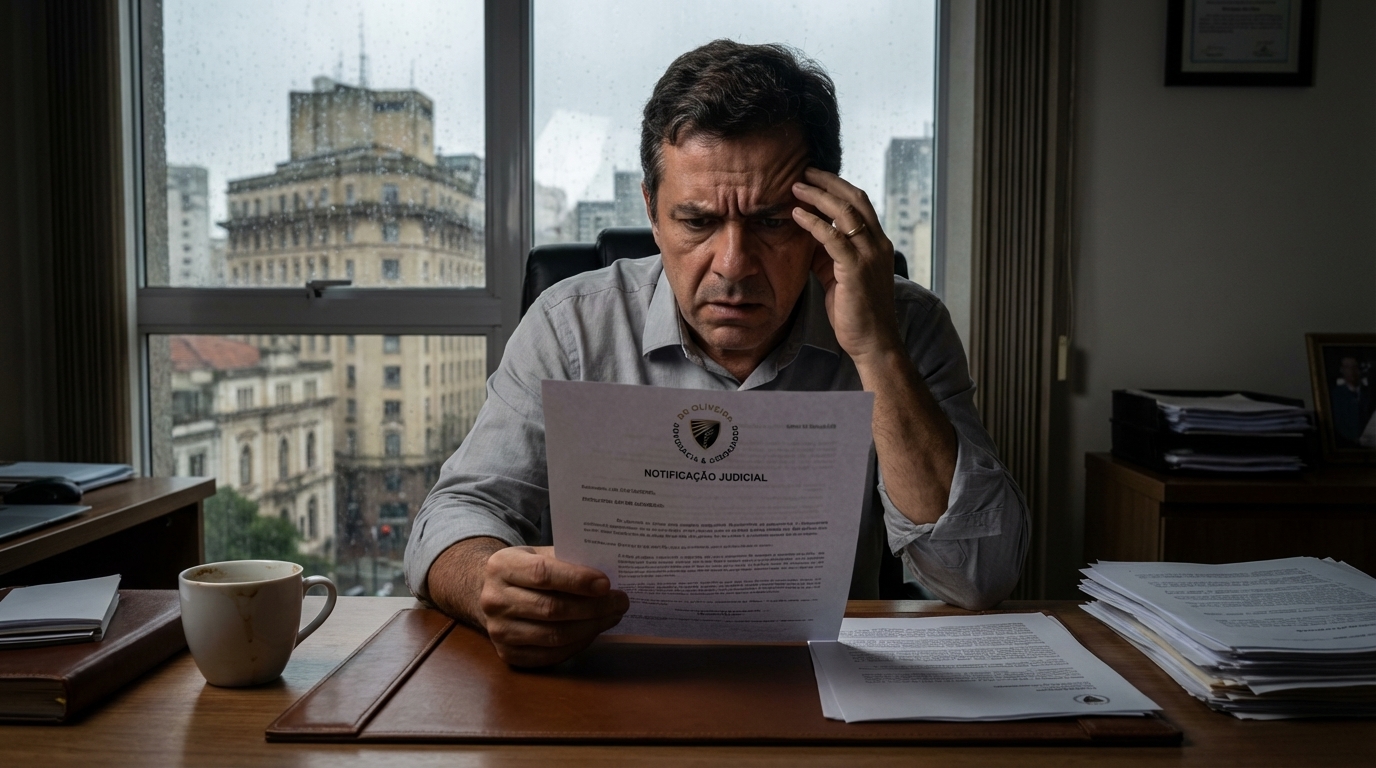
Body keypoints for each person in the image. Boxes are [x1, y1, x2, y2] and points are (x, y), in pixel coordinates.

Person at [404, 40, 1029, 667]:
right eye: (697, 222)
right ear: (651, 211)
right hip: (608, 682)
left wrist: (877, 351)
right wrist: (488, 581)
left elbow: (976, 576)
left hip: (823, 686)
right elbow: (457, 514)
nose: (733, 267)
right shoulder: (571, 324)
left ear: (824, 214)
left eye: (771, 222)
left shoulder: (904, 324)